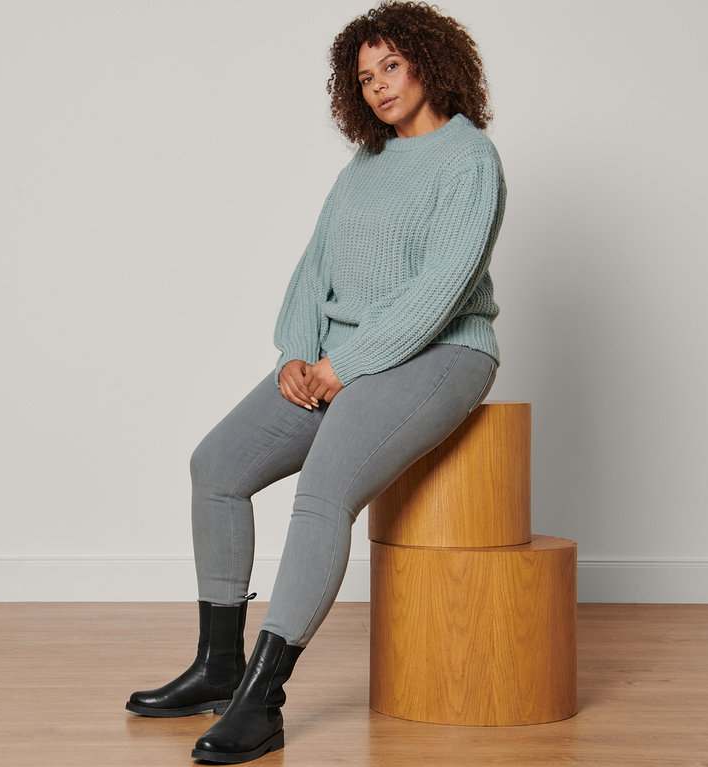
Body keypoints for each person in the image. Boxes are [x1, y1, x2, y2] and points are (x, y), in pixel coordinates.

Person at [126, 1, 506, 762]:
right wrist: (297, 356)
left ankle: (261, 698)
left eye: (391, 66)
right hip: (336, 361)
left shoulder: (470, 160)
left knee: (325, 490)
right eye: (364, 77)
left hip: (443, 354)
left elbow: (440, 290)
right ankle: (217, 664)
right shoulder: (363, 167)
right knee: (217, 467)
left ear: (431, 62)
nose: (379, 87)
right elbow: (315, 267)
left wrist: (348, 365)